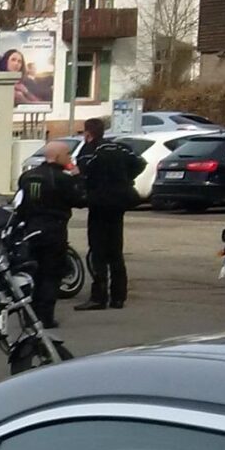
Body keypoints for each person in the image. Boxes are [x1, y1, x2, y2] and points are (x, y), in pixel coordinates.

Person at [72, 118, 139, 311]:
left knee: (98, 252)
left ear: (88, 133)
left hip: (99, 204)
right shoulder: (120, 148)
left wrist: (84, 184)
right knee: (116, 251)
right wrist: (124, 180)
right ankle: (118, 297)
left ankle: (99, 297)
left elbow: (84, 173)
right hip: (118, 204)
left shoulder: (89, 151)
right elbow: (139, 163)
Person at [16, 140, 83, 333]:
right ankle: (45, 318)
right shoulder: (62, 178)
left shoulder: (27, 176)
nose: (69, 158)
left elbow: (20, 203)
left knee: (34, 274)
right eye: (67, 155)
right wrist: (78, 177)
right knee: (50, 275)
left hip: (30, 231)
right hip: (53, 231)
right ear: (59, 156)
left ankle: (30, 317)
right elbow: (79, 199)